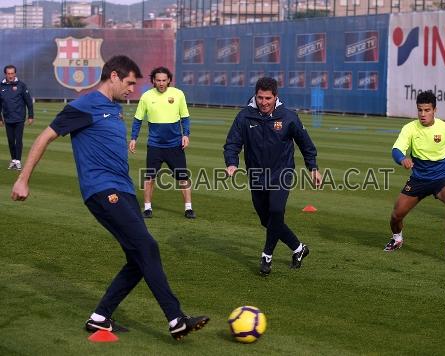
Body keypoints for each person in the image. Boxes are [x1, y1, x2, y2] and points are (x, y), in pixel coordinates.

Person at [11, 55, 208, 340]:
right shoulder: (84, 105)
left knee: (139, 259)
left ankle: (100, 317)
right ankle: (176, 318)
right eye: (129, 83)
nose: (132, 90)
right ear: (113, 76)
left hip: (124, 191)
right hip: (102, 190)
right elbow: (44, 137)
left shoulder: (114, 109)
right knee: (147, 247)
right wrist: (23, 179)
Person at [223, 77, 322, 275]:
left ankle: (266, 256)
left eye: (268, 98)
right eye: (260, 98)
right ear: (255, 96)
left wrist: (313, 168)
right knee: (267, 220)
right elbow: (232, 143)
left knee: (276, 211)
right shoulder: (245, 116)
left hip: (282, 173)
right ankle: (299, 248)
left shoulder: (288, 117)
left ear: (275, 97)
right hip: (257, 175)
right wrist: (231, 163)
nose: (264, 102)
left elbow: (306, 144)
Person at [384, 90, 445, 258]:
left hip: (441, 178)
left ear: (434, 110)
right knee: (396, 216)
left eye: (427, 110)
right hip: (419, 179)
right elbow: (396, 150)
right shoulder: (409, 128)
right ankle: (397, 238)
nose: (423, 114)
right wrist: (402, 159)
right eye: (420, 110)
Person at [129, 67, 196, 219]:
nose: (161, 83)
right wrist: (133, 138)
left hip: (175, 145)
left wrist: (186, 134)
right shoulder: (146, 96)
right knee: (150, 177)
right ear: (153, 80)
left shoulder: (178, 94)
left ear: (169, 80)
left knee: (182, 177)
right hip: (155, 146)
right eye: (158, 80)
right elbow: (138, 119)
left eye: (164, 80)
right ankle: (147, 208)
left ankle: (188, 208)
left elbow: (185, 117)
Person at [0, 64, 34, 170]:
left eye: (12, 73)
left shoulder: (21, 85)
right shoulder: (1, 86)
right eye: (8, 73)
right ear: (5, 74)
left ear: (15, 73)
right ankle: (13, 160)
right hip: (8, 118)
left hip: (19, 117)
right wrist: (0, 119)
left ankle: (18, 161)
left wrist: (31, 116)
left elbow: (28, 101)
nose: (10, 75)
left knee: (18, 139)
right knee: (10, 140)